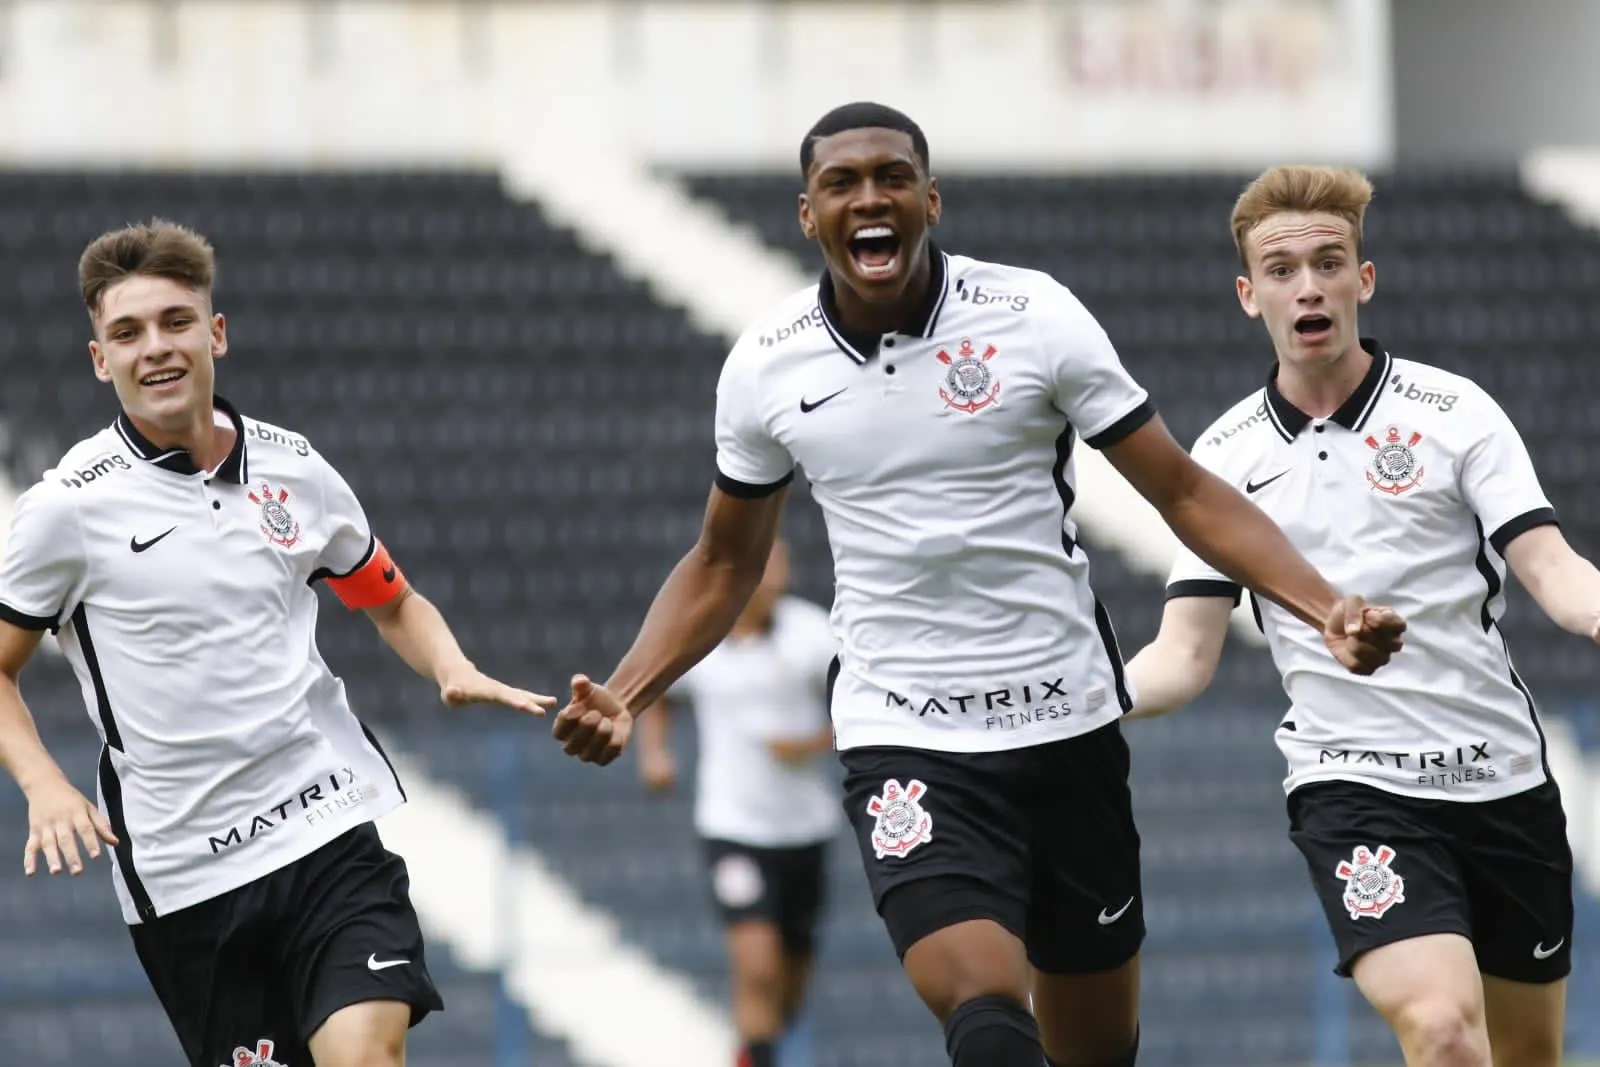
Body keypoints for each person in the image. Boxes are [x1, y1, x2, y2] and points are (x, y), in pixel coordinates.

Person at [551, 103, 1406, 1067]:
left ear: (930, 199)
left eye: (891, 177)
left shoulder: (1031, 315)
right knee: (987, 1013)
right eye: (842, 182)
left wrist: (1324, 603)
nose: (869, 198)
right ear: (806, 214)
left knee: (1093, 1050)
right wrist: (627, 689)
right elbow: (722, 561)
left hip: (1065, 727)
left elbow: (1181, 488)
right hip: (906, 732)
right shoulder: (764, 364)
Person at [0, 220, 554, 1067]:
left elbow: (390, 597)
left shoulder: (296, 468)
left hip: (326, 828)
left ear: (215, 332)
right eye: (127, 332)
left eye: (176, 320)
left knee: (369, 1055)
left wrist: (452, 664)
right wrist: (44, 783)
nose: (156, 347)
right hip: (189, 875)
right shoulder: (66, 510)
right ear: (99, 359)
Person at [1124, 165, 1583, 1067]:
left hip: (1503, 783)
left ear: (1361, 280)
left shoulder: (1456, 415)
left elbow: (1560, 579)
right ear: (1248, 294)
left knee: (1526, 1054)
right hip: (1354, 785)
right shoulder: (1222, 458)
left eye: (1328, 262)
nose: (1309, 285)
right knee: (1443, 1028)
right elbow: (1183, 655)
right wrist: (1072, 695)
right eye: (1283, 269)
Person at [636, 537, 837, 1067]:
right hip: (733, 827)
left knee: (790, 978)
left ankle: (755, 1049)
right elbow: (658, 693)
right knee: (756, 965)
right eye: (763, 563)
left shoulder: (813, 635)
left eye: (779, 563)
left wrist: (814, 742)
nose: (772, 575)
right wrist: (655, 754)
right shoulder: (704, 635)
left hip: (806, 829)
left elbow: (864, 710)